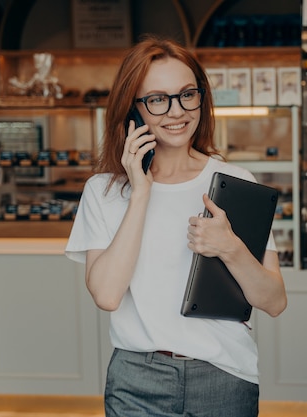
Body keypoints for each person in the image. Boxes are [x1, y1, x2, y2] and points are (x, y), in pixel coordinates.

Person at [65, 35, 287, 417]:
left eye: (187, 94)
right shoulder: (103, 191)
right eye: (157, 99)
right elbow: (107, 295)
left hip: (223, 374)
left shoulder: (235, 182)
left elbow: (274, 301)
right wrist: (140, 193)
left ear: (201, 96)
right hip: (136, 380)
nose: (176, 111)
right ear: (132, 110)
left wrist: (229, 246)